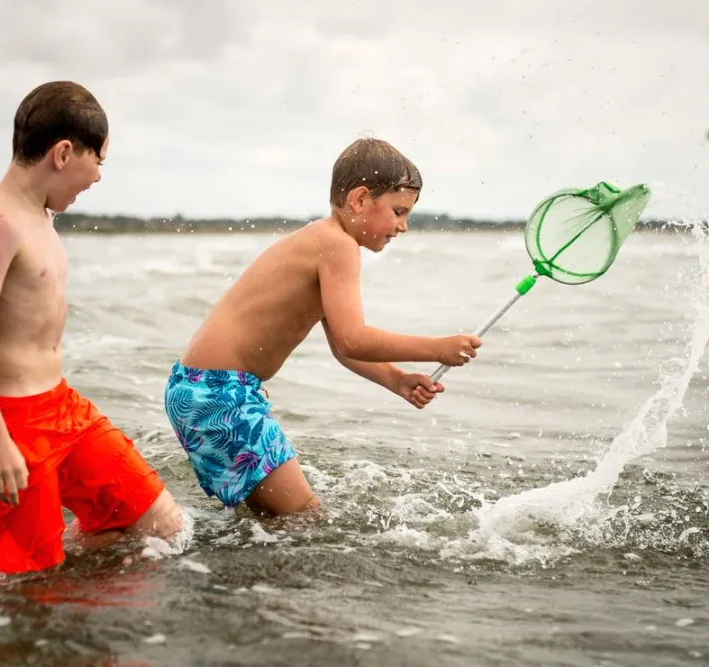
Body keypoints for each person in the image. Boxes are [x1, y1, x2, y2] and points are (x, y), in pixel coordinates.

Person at [164, 138, 482, 517]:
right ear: (360, 199)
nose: (404, 226)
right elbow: (355, 338)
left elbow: (342, 346)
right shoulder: (337, 246)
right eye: (399, 211)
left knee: (269, 518)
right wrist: (437, 349)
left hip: (199, 389)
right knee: (306, 520)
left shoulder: (322, 240)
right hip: (221, 395)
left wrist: (396, 380)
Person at [0, 81, 182, 574]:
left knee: (160, 522)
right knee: (34, 575)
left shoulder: (41, 218)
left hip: (63, 407)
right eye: (97, 161)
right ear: (62, 153)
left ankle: (45, 572)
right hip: (14, 420)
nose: (97, 177)